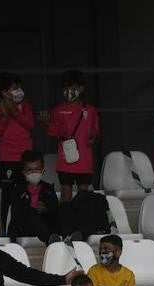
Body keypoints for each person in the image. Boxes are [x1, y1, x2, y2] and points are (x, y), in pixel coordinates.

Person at [44, 69, 100, 202]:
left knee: (83, 193)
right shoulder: (56, 110)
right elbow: (54, 133)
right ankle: (65, 220)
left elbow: (96, 131)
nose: (69, 90)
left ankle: (83, 221)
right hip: (65, 160)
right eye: (66, 87)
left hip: (84, 159)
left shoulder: (90, 110)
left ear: (81, 88)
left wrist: (93, 136)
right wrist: (48, 122)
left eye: (73, 87)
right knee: (66, 194)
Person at [0, 71, 35, 224]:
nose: (18, 90)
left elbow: (30, 124)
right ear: (4, 92)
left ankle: (26, 227)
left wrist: (15, 111)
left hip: (25, 157)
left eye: (19, 87)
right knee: (7, 196)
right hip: (7, 158)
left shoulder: (25, 106)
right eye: (14, 87)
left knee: (26, 193)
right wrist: (5, 113)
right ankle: (7, 229)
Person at [4, 150, 60, 241]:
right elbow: (16, 214)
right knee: (31, 213)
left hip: (45, 224)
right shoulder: (17, 190)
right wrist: (31, 210)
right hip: (24, 228)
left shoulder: (49, 189)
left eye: (37, 169)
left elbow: (55, 210)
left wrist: (46, 209)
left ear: (43, 170)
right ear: (24, 172)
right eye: (30, 170)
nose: (34, 173)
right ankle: (49, 239)